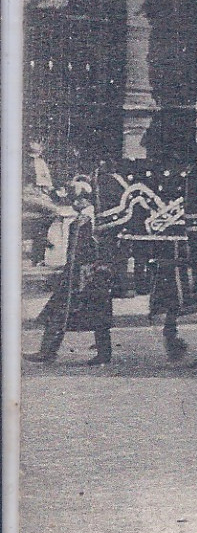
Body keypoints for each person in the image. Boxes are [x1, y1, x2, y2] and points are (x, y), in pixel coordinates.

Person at [27, 180, 114, 365]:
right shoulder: (79, 221)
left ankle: (104, 354)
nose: (74, 202)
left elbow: (103, 248)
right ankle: (47, 351)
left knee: (98, 314)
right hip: (73, 274)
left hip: (91, 274)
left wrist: (95, 268)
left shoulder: (95, 221)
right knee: (58, 311)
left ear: (85, 200)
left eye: (77, 198)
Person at [23, 141, 60, 265]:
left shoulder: (28, 162)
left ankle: (40, 244)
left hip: (30, 196)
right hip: (29, 196)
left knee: (46, 215)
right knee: (53, 211)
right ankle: (42, 241)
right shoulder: (37, 163)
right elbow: (44, 185)